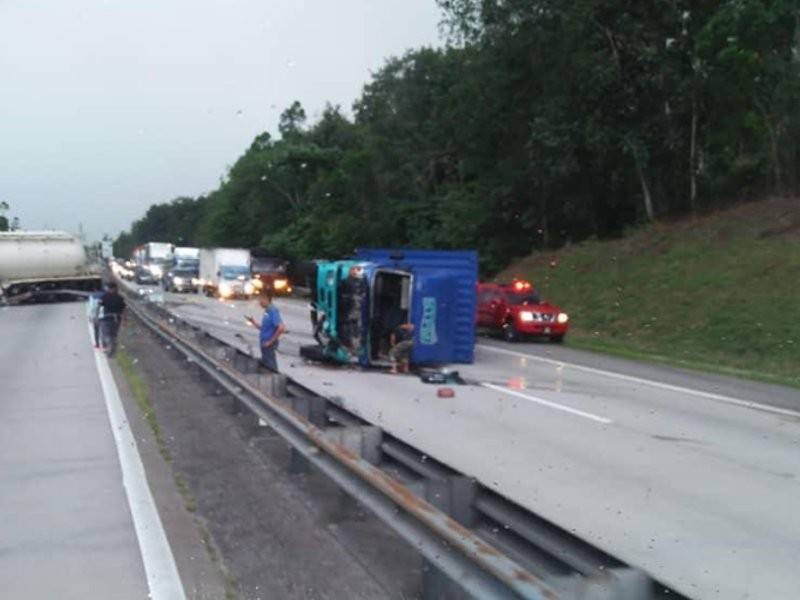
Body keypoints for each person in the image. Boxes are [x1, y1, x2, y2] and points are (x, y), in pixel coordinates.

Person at [247, 290, 285, 372]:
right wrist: (253, 322)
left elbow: (281, 328)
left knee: (270, 366)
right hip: (264, 344)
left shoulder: (273, 311)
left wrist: (270, 342)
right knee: (266, 365)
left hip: (268, 345)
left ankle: (273, 380)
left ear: (266, 299)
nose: (259, 302)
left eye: (260, 300)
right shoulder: (267, 311)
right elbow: (264, 328)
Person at [99, 282, 126, 356]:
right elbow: (124, 309)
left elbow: (99, 306)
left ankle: (110, 346)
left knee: (106, 334)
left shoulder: (105, 296)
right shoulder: (120, 298)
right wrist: (124, 319)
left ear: (110, 288)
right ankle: (113, 349)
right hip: (117, 319)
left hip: (107, 318)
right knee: (114, 335)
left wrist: (96, 316)